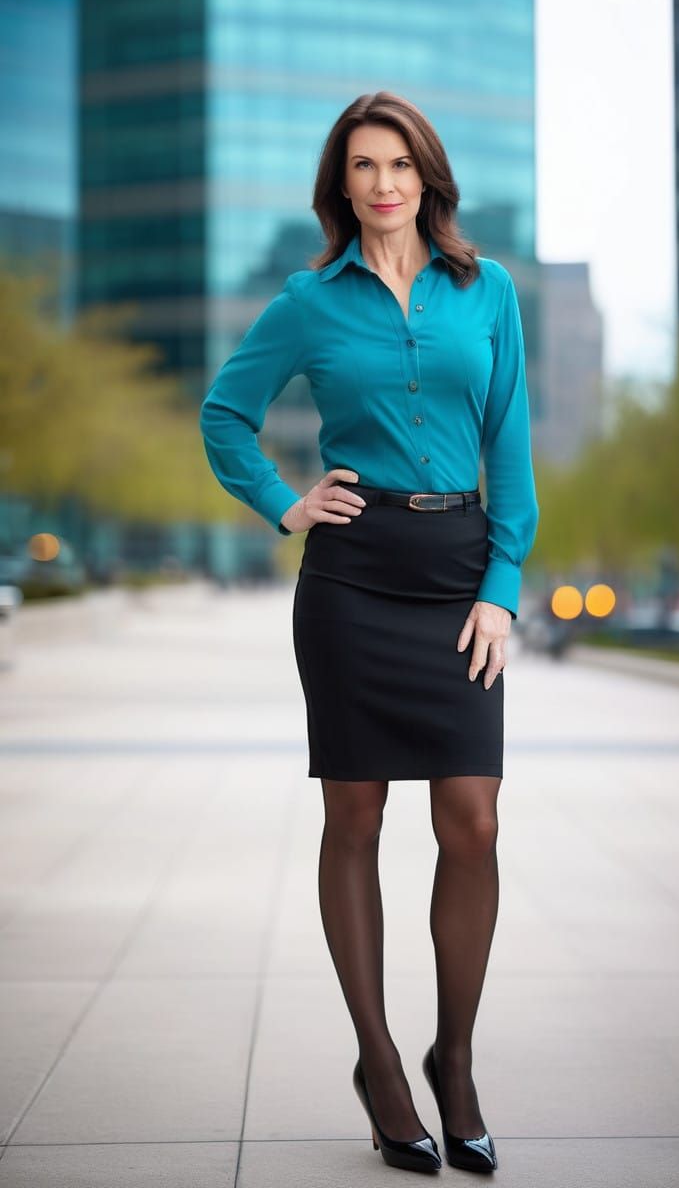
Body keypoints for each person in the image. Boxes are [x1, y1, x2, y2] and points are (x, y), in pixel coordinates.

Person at [200, 90, 539, 1175]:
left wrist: (504, 582)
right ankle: (381, 1063)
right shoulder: (307, 301)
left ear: (427, 177)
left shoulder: (486, 293)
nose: (383, 182)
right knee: (355, 816)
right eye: (363, 165)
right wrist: (283, 502)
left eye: (399, 163)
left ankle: (456, 1059)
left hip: (457, 578)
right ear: (340, 185)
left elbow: (513, 452)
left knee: (473, 822)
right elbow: (223, 414)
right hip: (350, 579)